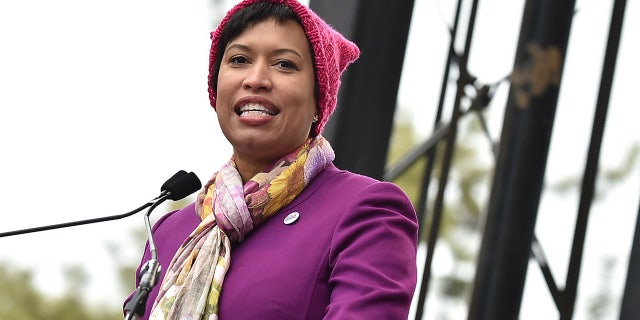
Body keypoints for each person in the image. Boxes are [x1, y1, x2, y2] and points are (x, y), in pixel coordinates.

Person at [124, 0, 419, 319]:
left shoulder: (366, 211)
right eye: (239, 59)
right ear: (215, 88)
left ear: (319, 97)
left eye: (284, 65)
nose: (256, 79)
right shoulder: (170, 230)